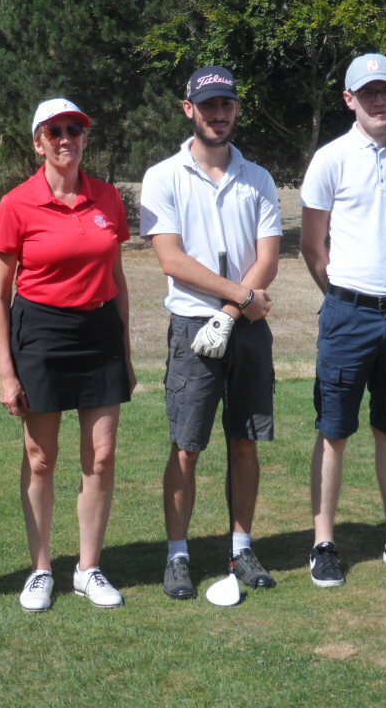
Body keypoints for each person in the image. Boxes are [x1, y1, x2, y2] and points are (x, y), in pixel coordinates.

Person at [299, 53, 386, 588]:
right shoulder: (330, 159)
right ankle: (323, 544)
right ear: (349, 99)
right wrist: (344, 298)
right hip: (346, 314)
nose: (378, 100)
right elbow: (312, 246)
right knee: (333, 431)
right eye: (368, 93)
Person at [140, 66, 282, 600]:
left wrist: (233, 310)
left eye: (226, 104)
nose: (218, 114)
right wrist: (240, 299)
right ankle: (178, 555)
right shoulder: (164, 176)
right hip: (193, 328)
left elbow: (268, 258)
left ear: (236, 109)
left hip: (246, 329)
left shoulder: (258, 177)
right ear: (189, 110)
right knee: (187, 446)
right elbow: (172, 260)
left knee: (245, 443)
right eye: (208, 105)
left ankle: (241, 548)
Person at [0, 98, 135, 612]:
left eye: (75, 129)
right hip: (41, 333)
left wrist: (126, 352)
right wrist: (6, 373)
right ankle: (41, 570)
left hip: (99, 333)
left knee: (102, 455)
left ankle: (88, 569)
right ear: (38, 143)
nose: (66, 138)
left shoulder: (107, 198)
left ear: (85, 139)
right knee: (41, 458)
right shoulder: (16, 204)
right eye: (54, 131)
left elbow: (117, 278)